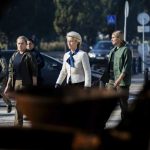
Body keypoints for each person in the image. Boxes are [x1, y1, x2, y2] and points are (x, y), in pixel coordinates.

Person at [4, 35, 38, 127]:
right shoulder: (14, 55)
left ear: (26, 44)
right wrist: (8, 85)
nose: (20, 45)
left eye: (22, 43)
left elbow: (34, 73)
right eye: (18, 43)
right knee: (19, 105)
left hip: (26, 84)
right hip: (16, 84)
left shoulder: (29, 56)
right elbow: (11, 72)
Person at [102, 30, 132, 119]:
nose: (111, 39)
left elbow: (126, 68)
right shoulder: (112, 51)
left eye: (113, 37)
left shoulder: (126, 50)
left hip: (122, 83)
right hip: (111, 81)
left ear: (119, 38)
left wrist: (118, 81)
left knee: (123, 105)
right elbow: (109, 66)